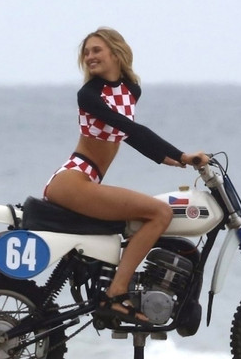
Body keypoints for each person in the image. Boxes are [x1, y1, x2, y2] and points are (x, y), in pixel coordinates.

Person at [43, 27, 209, 322]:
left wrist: (166, 158)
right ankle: (115, 294)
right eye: (87, 52)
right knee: (159, 213)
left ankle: (123, 289)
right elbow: (133, 130)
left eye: (96, 50)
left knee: (142, 217)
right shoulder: (89, 95)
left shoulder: (131, 91)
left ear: (115, 53)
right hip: (73, 179)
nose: (89, 56)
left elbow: (127, 135)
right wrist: (181, 154)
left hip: (86, 179)